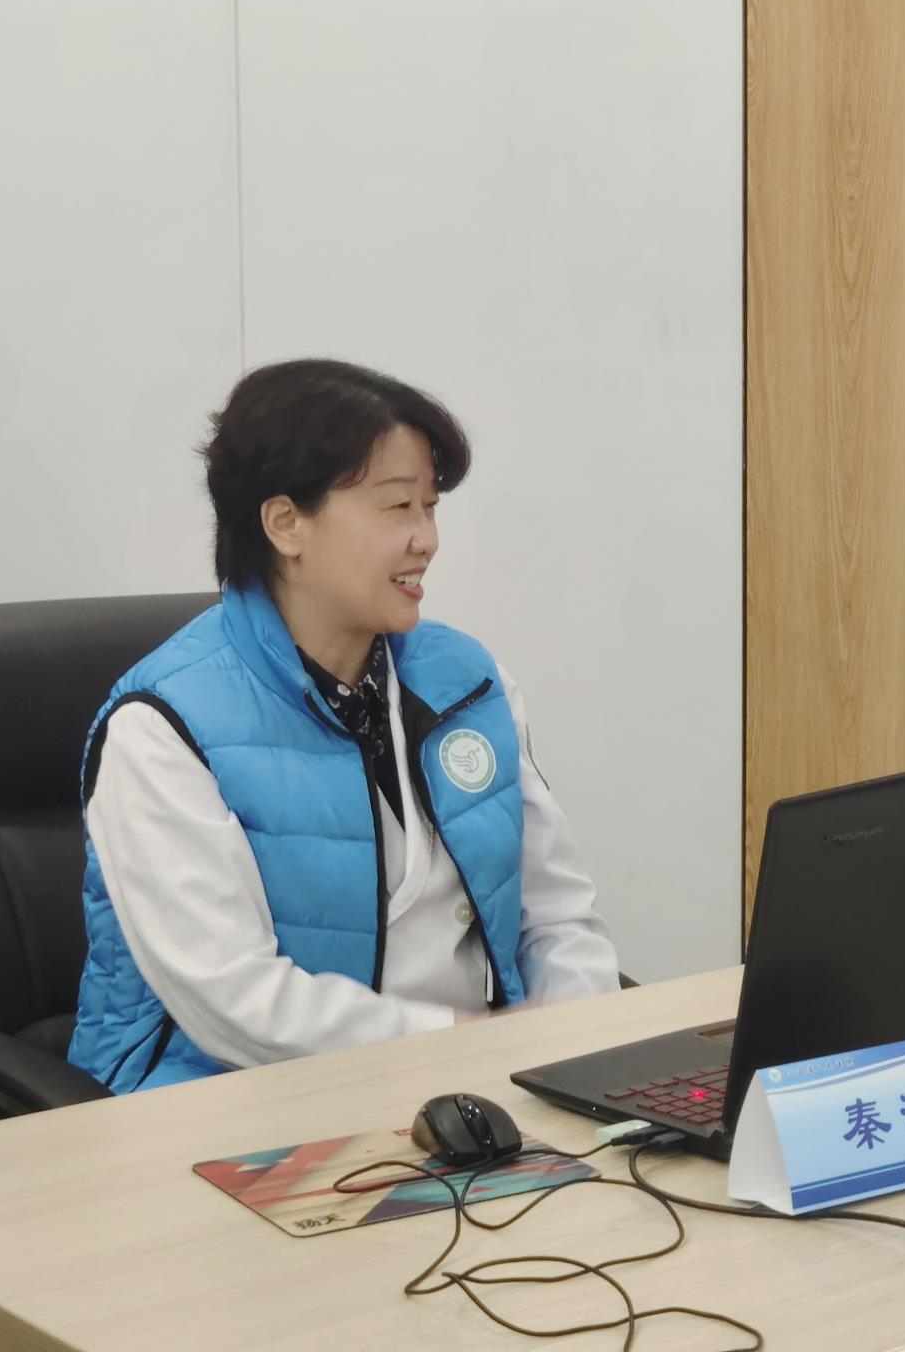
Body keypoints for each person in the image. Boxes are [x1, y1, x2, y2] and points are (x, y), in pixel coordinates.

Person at [69, 360, 620, 1093]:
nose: (426, 539)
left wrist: (573, 1042)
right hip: (226, 1103)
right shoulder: (161, 726)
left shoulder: (468, 680)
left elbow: (558, 916)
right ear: (286, 524)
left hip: (472, 1089)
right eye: (398, 508)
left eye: (430, 507)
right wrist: (465, 1047)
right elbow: (236, 1003)